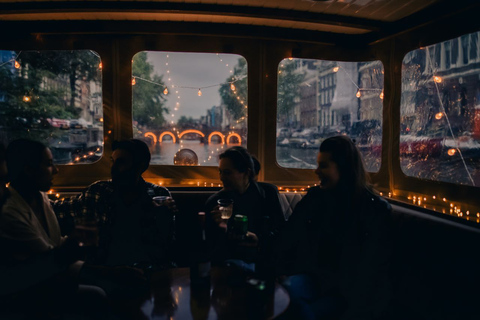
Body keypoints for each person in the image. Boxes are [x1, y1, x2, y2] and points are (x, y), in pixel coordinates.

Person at [278, 136, 392, 320]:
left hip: (346, 292)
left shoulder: (374, 209)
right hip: (312, 278)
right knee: (282, 294)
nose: (316, 171)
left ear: (344, 168)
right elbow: (289, 235)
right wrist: (281, 269)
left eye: (323, 166)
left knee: (298, 310)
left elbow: (373, 268)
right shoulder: (314, 198)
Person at [0, 139, 110, 319]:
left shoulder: (40, 197)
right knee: (99, 294)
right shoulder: (10, 213)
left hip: (50, 279)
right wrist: (110, 271)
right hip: (28, 294)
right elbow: (50, 260)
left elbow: (55, 244)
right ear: (28, 170)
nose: (57, 170)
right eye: (49, 164)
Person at [54, 139, 177, 270]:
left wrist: (164, 218)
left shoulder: (158, 195)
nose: (113, 168)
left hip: (149, 268)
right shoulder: (98, 192)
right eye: (113, 161)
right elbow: (57, 210)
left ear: (141, 166)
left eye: (121, 162)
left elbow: (168, 247)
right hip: (106, 271)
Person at [205, 146, 284, 268]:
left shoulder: (268, 193)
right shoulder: (215, 202)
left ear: (246, 173)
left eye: (227, 173)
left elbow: (280, 233)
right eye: (220, 172)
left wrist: (259, 241)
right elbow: (210, 249)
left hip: (263, 261)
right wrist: (222, 230)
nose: (221, 178)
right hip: (229, 264)